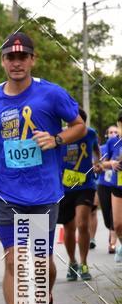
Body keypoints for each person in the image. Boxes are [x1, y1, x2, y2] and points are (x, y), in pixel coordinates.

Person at [0, 32, 86, 304]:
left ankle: (45, 302)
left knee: (41, 265)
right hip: (7, 191)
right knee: (15, 261)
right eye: (11, 57)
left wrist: (57, 139)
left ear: (32, 60)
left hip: (43, 192)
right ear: (3, 61)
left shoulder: (51, 94)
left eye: (23, 57)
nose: (17, 62)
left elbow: (78, 125)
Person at [57, 108, 100, 281]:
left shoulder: (90, 134)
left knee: (82, 224)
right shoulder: (60, 135)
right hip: (64, 188)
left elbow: (97, 151)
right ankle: (72, 262)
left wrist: (97, 163)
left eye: (76, 123)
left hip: (85, 185)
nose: (72, 126)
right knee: (68, 228)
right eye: (70, 123)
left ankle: (83, 263)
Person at [100, 113, 122, 263]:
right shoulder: (113, 142)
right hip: (117, 185)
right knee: (118, 224)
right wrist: (112, 164)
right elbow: (102, 163)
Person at [97, 124, 119, 253]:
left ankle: (112, 243)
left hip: (117, 185)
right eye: (110, 132)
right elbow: (98, 164)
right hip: (104, 184)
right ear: (107, 134)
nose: (113, 134)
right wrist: (110, 164)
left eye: (115, 132)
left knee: (114, 215)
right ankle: (112, 236)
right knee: (106, 215)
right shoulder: (104, 147)